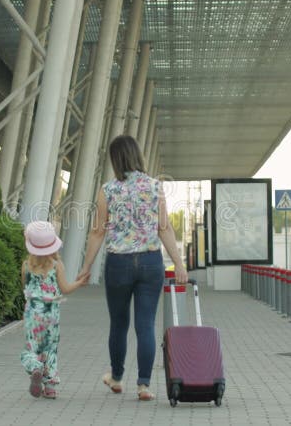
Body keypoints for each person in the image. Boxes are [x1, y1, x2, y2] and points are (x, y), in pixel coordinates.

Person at [78, 135, 188, 401]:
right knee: (146, 325)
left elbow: (97, 232)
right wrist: (179, 263)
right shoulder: (155, 187)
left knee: (119, 323)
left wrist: (86, 266)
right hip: (151, 262)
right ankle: (144, 385)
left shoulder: (108, 190)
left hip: (119, 264)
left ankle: (116, 378)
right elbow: (164, 228)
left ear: (116, 159)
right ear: (138, 156)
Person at [20, 220, 90, 399]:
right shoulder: (57, 265)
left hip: (32, 312)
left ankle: (35, 367)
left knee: (32, 346)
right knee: (50, 347)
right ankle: (50, 386)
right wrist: (80, 283)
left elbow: (25, 288)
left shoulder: (26, 266)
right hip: (51, 313)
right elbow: (65, 288)